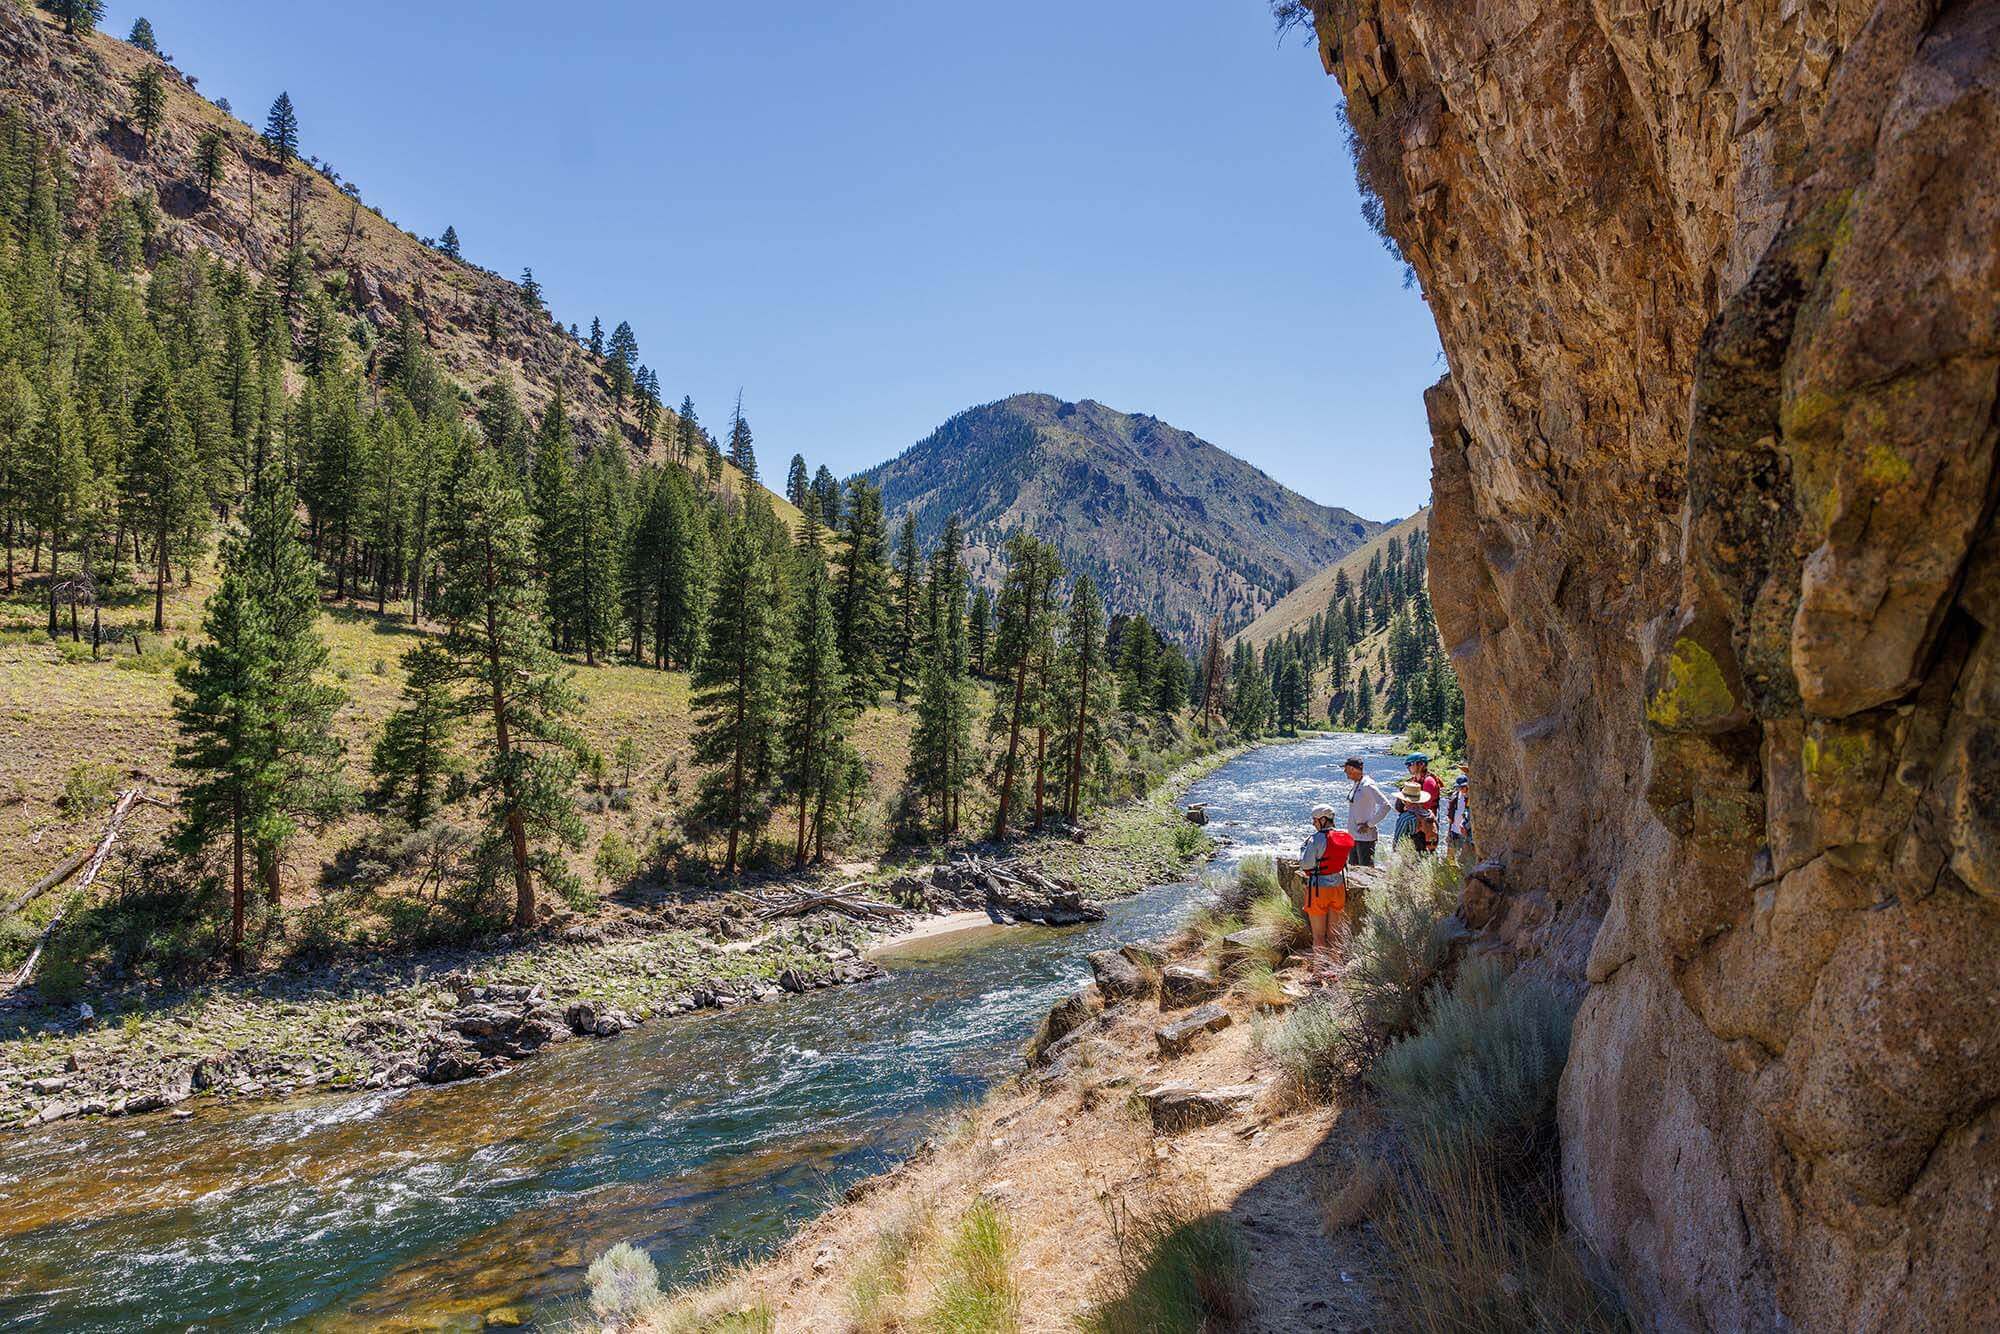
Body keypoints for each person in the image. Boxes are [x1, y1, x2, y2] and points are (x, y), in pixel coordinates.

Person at [1299, 803, 1355, 978]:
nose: (1314, 823)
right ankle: (1336, 971)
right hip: (1338, 886)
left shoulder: (1315, 839)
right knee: (1334, 934)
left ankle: (1318, 973)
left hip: (1318, 889)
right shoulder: (1344, 836)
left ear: (1322, 820)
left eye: (1315, 820)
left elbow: (1305, 864)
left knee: (1318, 936)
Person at [1341, 756, 1397, 867]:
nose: (1344, 772)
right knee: (1354, 871)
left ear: (1352, 769)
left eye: (1346, 769)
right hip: (1354, 836)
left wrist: (1369, 824)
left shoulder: (1367, 785)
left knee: (1365, 871)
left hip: (1365, 838)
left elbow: (1386, 805)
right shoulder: (1357, 783)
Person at [1395, 752, 1441, 854]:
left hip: (1425, 826)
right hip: (1415, 825)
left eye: (1410, 764)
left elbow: (1425, 805)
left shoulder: (1429, 782)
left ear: (1421, 764)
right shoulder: (1414, 780)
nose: (1408, 767)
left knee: (1422, 856)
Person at [1443, 774, 1473, 864]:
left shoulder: (1472, 799)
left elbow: (1473, 818)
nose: (1461, 789)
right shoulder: (1455, 797)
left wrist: (1466, 827)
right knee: (1450, 857)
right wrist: (1449, 832)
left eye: (1463, 787)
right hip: (1454, 831)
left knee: (1463, 859)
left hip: (1466, 833)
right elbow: (1451, 816)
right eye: (1459, 787)